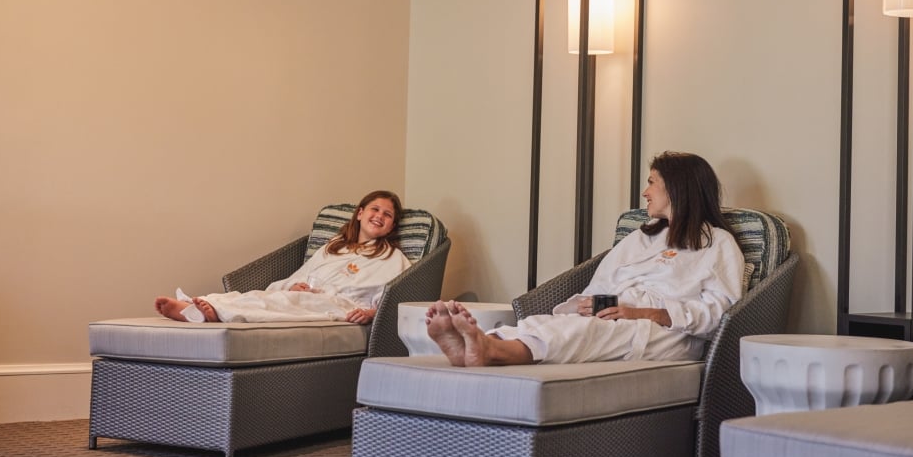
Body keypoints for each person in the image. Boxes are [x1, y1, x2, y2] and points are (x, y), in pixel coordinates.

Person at [427, 151, 745, 366]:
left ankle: (492, 349)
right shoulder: (642, 237)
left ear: (676, 187)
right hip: (617, 317)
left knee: (584, 333)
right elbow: (600, 286)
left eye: (651, 182)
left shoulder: (717, 244)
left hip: (668, 334)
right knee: (554, 323)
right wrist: (588, 303)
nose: (645, 192)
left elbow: (721, 312)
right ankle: (480, 345)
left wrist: (648, 313)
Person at [155, 190, 411, 324]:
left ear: (391, 226)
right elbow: (297, 278)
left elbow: (397, 298)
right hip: (307, 296)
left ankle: (212, 312)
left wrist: (370, 313)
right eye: (375, 209)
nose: (380, 216)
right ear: (360, 213)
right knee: (260, 297)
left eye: (387, 215)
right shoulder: (334, 246)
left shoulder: (392, 258)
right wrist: (293, 286)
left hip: (340, 306)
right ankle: (205, 304)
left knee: (276, 305)